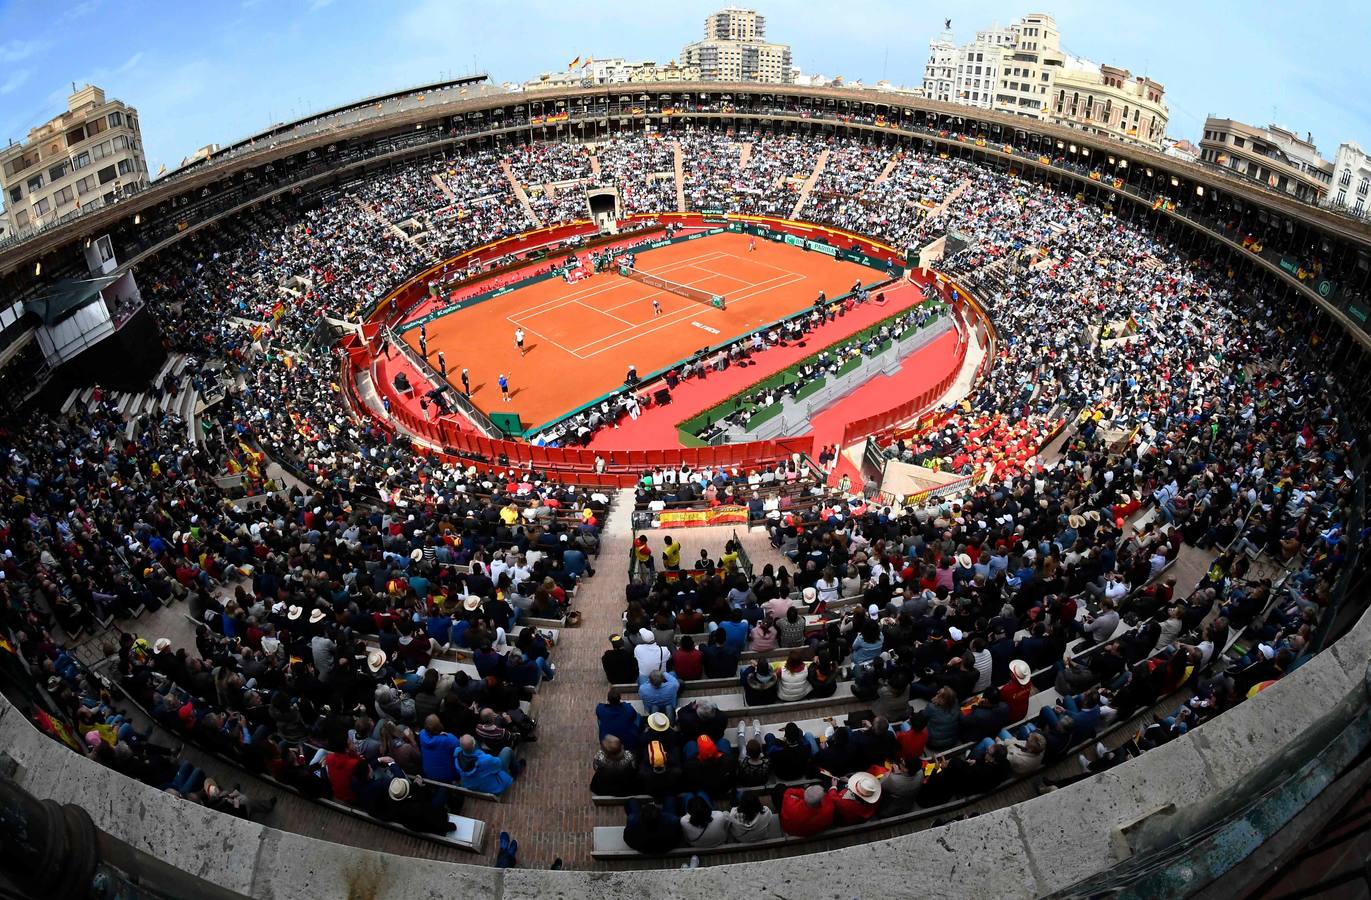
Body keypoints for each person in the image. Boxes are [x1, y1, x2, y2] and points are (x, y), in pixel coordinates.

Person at [454, 734, 520, 796]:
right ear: (473, 745)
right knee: (507, 750)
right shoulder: (485, 760)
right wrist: (489, 759)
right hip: (491, 788)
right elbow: (499, 764)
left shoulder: (457, 756)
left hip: (471, 785)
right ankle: (517, 770)